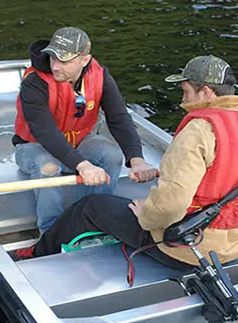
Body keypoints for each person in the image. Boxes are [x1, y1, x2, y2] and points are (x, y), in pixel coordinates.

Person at [15, 55, 238, 267]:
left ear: (207, 92)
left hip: (185, 247)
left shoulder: (199, 130)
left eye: (186, 91)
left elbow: (171, 206)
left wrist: (146, 215)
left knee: (89, 206)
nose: (183, 99)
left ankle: (40, 252)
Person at [13, 27, 157, 236]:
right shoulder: (34, 82)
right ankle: (52, 232)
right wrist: (84, 165)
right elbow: (45, 133)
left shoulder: (100, 75)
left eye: (64, 61)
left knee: (112, 155)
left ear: (84, 59)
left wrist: (137, 160)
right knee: (49, 166)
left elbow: (118, 118)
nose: (55, 66)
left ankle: (91, 220)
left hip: (79, 142)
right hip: (34, 147)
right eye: (52, 58)